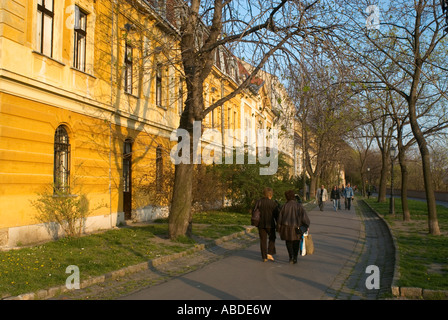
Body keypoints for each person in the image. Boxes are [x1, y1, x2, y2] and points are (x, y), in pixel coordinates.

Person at [277, 190, 311, 264]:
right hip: (297, 228)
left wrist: (279, 228)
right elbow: (304, 218)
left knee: (288, 242)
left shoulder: (284, 206)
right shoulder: (298, 206)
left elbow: (280, 219)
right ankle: (295, 257)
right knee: (296, 243)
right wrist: (306, 225)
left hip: (286, 228)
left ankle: (291, 256)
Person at [254, 187, 279, 262]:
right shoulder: (273, 203)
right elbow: (277, 215)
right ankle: (270, 253)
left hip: (261, 224)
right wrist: (278, 224)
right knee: (272, 238)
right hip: (270, 224)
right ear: (271, 194)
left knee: (263, 240)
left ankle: (264, 256)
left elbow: (254, 211)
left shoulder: (259, 202)